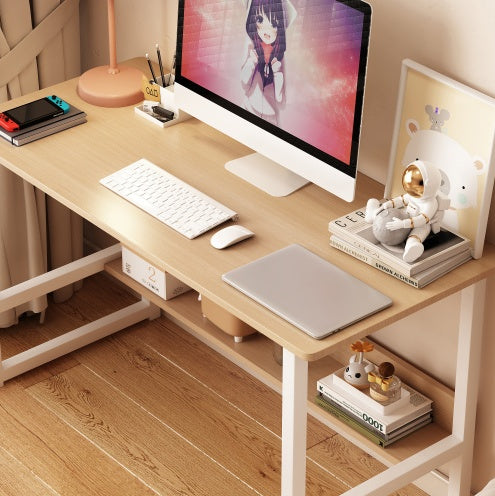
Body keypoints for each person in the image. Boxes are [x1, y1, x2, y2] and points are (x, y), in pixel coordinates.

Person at [241, 0, 295, 125]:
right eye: (260, 19)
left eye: (274, 24)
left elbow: (280, 100)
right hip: (247, 108)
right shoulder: (251, 47)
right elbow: (244, 83)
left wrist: (278, 75)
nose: (266, 29)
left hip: (270, 119)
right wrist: (251, 62)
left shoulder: (280, 58)